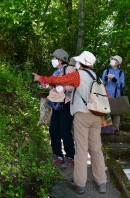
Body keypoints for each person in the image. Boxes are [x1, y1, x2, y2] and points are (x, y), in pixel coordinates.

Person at [33, 51, 107, 194]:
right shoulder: (97, 77)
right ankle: (101, 183)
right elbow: (106, 96)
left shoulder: (78, 74)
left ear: (82, 63)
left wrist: (39, 78)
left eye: (78, 62)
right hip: (97, 116)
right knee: (96, 149)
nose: (76, 64)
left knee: (81, 149)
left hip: (82, 115)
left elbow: (60, 81)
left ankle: (79, 183)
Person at [43, 49, 76, 170]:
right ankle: (58, 155)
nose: (53, 60)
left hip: (66, 103)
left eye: (54, 58)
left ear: (61, 60)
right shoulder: (56, 71)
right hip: (56, 104)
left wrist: (61, 86)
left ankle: (70, 157)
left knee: (64, 130)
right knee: (53, 129)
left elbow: (73, 85)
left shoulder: (69, 69)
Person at [101, 55, 125, 135]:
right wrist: (105, 80)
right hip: (106, 95)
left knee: (116, 113)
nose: (113, 60)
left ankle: (116, 129)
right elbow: (101, 84)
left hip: (116, 96)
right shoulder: (106, 71)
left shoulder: (121, 73)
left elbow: (122, 85)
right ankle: (105, 128)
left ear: (118, 63)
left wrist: (114, 79)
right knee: (104, 112)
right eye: (112, 59)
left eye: (115, 59)